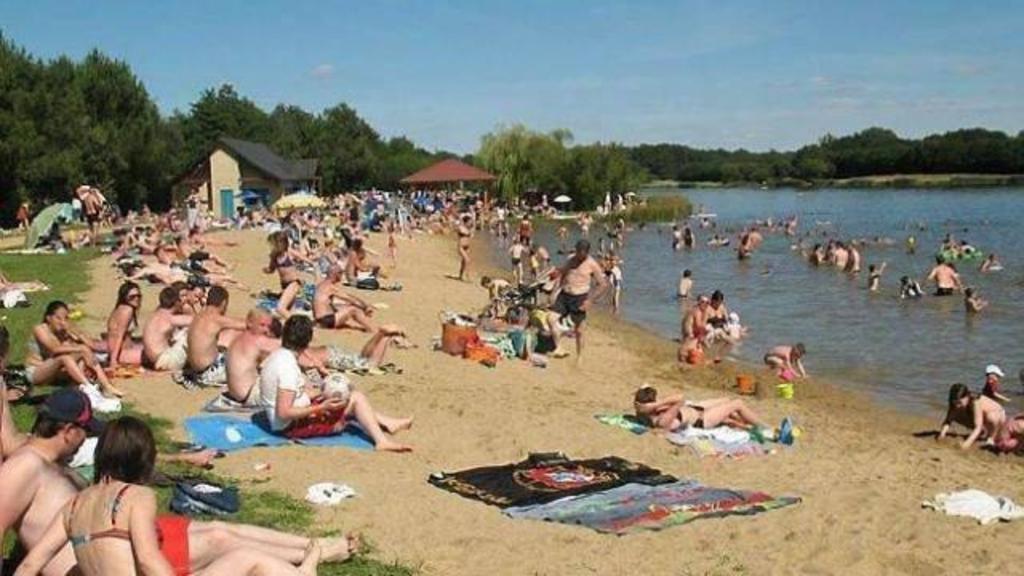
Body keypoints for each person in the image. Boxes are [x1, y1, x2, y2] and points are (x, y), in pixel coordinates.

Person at [11, 415, 359, 576]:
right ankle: (305, 569)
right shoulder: (136, 496)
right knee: (252, 559)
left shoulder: (74, 505)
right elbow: (149, 560)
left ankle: (309, 561)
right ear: (142, 460)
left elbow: (29, 565)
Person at [258, 316, 412, 451]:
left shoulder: (279, 355)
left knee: (342, 395)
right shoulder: (288, 368)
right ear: (307, 341)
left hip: (286, 418)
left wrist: (322, 392)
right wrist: (322, 407)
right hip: (291, 427)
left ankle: (387, 422)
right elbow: (284, 412)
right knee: (355, 398)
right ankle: (381, 441)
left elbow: (292, 395)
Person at [27, 301, 123, 399]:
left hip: (56, 374)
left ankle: (106, 385)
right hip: (37, 372)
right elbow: (55, 349)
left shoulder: (62, 332)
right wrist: (80, 348)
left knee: (82, 354)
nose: (62, 322)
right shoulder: (40, 329)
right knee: (65, 357)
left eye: (65, 318)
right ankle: (89, 388)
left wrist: (76, 333)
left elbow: (89, 345)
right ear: (48, 318)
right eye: (58, 318)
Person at [550, 240, 609, 362]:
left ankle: (579, 356)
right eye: (578, 253)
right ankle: (559, 347)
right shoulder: (571, 259)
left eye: (582, 254)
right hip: (564, 294)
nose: (579, 256)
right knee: (550, 318)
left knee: (579, 330)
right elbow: (563, 274)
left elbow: (603, 284)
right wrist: (555, 291)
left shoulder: (592, 264)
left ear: (587, 252)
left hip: (579, 298)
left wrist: (590, 301)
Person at [632, 385, 772, 434]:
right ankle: (767, 428)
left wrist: (653, 405)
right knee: (737, 404)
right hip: (702, 419)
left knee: (727, 401)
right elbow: (680, 398)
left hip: (696, 408)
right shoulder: (662, 420)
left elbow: (644, 387)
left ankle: (748, 425)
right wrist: (656, 405)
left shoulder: (644, 412)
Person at [183, 286, 245, 387]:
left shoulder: (200, 315)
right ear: (223, 303)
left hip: (195, 369)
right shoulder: (216, 319)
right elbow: (246, 325)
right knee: (244, 341)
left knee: (232, 333)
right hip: (209, 372)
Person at [938, 383, 1006, 450]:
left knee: (991, 417)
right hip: (982, 415)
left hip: (998, 414)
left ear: (967, 397)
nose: (957, 406)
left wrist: (966, 444)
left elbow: (978, 427)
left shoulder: (975, 401)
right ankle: (980, 432)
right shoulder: (955, 403)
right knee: (955, 415)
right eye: (955, 403)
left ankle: (991, 438)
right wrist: (942, 435)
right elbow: (948, 420)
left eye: (959, 402)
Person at [141, 287, 193, 371]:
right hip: (165, 362)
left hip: (154, 361)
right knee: (189, 332)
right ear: (176, 302)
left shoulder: (154, 316)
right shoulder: (169, 318)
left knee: (180, 334)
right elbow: (196, 321)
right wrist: (189, 309)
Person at [313, 266, 375, 332]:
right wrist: (365, 307)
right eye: (341, 273)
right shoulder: (330, 287)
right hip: (325, 321)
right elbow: (350, 298)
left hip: (319, 320)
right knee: (354, 309)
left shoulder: (321, 284)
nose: (342, 276)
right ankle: (372, 329)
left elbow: (327, 304)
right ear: (335, 274)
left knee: (346, 306)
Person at [264, 232, 311, 318]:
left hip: (293, 283)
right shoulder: (274, 256)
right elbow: (271, 269)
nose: (272, 247)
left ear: (281, 243)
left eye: (273, 244)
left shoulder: (289, 252)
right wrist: (266, 270)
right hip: (284, 286)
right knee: (289, 311)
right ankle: (297, 321)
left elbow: (304, 258)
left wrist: (314, 268)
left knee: (280, 308)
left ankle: (296, 323)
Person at [106, 282, 145, 371]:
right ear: (125, 297)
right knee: (153, 355)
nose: (136, 299)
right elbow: (119, 336)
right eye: (132, 297)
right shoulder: (127, 311)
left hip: (121, 350)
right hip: (121, 353)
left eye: (139, 296)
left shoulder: (121, 307)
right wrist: (113, 360)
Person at [455, 214, 473, 282]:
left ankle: (460, 276)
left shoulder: (468, 229)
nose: (470, 223)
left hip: (467, 247)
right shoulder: (460, 227)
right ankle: (468, 277)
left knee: (463, 262)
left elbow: (470, 236)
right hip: (461, 247)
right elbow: (458, 230)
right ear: (466, 221)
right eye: (469, 221)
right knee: (467, 260)